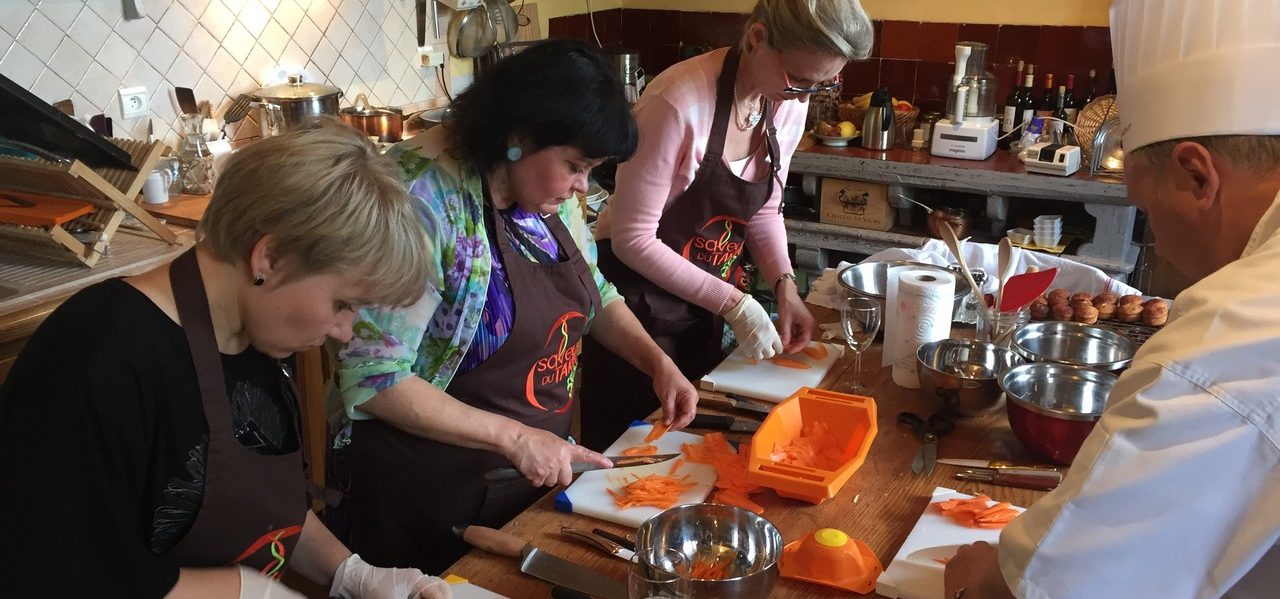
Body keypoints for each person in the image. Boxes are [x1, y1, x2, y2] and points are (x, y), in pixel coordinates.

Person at [0, 120, 452, 597]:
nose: (343, 332)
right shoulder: (97, 355)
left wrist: (349, 572)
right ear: (270, 258)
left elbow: (263, 509)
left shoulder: (256, 338)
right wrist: (244, 591)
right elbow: (57, 572)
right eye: (343, 303)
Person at [944, 1, 1280, 597]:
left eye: (1145, 209)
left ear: (1198, 176)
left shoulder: (1228, 336)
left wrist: (982, 581)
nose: (1163, 248)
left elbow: (1057, 585)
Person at [332, 39, 699, 574]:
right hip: (428, 490)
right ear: (519, 136)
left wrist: (657, 363)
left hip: (525, 477)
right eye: (575, 166)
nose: (582, 187)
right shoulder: (420, 202)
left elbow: (597, 295)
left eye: (591, 170)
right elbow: (373, 376)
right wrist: (516, 437)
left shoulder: (544, 197)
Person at [579, 0, 874, 449]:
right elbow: (632, 239)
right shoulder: (676, 102)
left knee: (694, 446)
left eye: (822, 84)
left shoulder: (786, 105)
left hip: (704, 304)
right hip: (636, 308)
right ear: (757, 38)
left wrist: (784, 286)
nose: (804, 96)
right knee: (629, 451)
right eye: (799, 80)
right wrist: (736, 305)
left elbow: (765, 208)